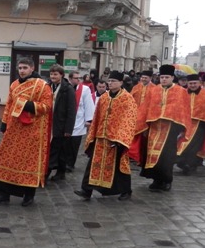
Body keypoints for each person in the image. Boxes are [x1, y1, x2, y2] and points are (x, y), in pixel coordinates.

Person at [0, 57, 52, 207]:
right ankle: (3, 194)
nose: (22, 71)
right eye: (20, 68)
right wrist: (4, 123)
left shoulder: (42, 86)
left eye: (25, 68)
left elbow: (46, 106)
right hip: (14, 129)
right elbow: (9, 104)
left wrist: (27, 105)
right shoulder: (14, 84)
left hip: (32, 131)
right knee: (7, 159)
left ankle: (28, 196)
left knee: (29, 163)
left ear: (32, 68)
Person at [74, 71, 138, 200]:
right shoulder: (104, 97)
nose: (110, 83)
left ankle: (126, 191)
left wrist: (121, 138)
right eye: (109, 81)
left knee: (119, 166)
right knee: (93, 164)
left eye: (113, 81)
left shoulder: (127, 98)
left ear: (121, 82)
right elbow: (97, 116)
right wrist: (93, 134)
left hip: (117, 139)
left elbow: (129, 119)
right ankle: (86, 190)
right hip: (100, 136)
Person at [130, 64, 193, 192]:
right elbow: (145, 108)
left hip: (170, 128)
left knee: (167, 156)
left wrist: (180, 128)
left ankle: (167, 180)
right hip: (154, 127)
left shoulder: (180, 91)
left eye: (167, 77)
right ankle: (156, 180)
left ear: (172, 78)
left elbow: (184, 110)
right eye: (162, 77)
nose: (164, 79)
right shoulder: (154, 90)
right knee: (151, 154)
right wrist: (142, 125)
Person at [175, 74, 205, 174]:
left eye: (195, 83)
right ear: (187, 84)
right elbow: (177, 107)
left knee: (194, 145)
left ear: (199, 83)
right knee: (182, 142)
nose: (193, 85)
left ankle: (189, 164)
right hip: (185, 123)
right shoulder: (182, 93)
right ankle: (183, 163)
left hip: (200, 124)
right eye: (190, 83)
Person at [47, 64, 76, 181]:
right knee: (55, 149)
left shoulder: (68, 89)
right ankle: (60, 171)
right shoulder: (48, 86)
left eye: (55, 74)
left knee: (58, 149)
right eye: (51, 74)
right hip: (49, 123)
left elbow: (71, 110)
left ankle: (48, 172)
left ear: (61, 75)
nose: (53, 76)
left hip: (61, 124)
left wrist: (68, 129)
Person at [67, 70, 95, 172]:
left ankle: (70, 164)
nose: (78, 80)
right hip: (67, 121)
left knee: (74, 144)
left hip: (79, 120)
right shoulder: (66, 88)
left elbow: (88, 104)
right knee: (65, 145)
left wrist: (89, 120)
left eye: (79, 78)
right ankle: (64, 163)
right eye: (76, 78)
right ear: (70, 79)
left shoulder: (85, 89)